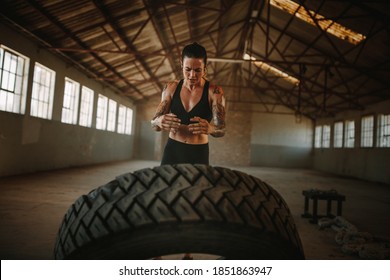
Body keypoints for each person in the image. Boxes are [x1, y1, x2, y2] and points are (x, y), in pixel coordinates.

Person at [151, 42, 226, 167]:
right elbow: (154, 125)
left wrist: (211, 128)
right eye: (188, 69)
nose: (192, 75)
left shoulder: (214, 92)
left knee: (199, 187)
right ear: (181, 65)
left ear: (205, 68)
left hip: (198, 152)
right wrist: (158, 121)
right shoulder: (171, 88)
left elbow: (222, 129)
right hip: (173, 150)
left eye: (198, 70)